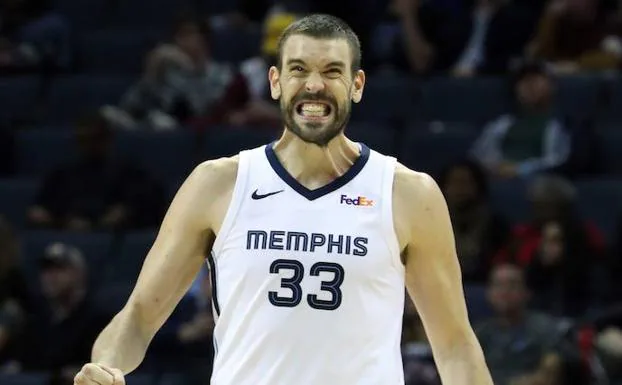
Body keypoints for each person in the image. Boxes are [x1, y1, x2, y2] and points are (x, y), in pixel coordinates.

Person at [73, 14, 493, 385]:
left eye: (332, 71)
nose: (314, 85)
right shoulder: (218, 184)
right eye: (298, 70)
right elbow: (141, 314)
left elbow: (454, 343)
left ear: (357, 84)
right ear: (276, 82)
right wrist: (107, 366)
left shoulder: (407, 193)